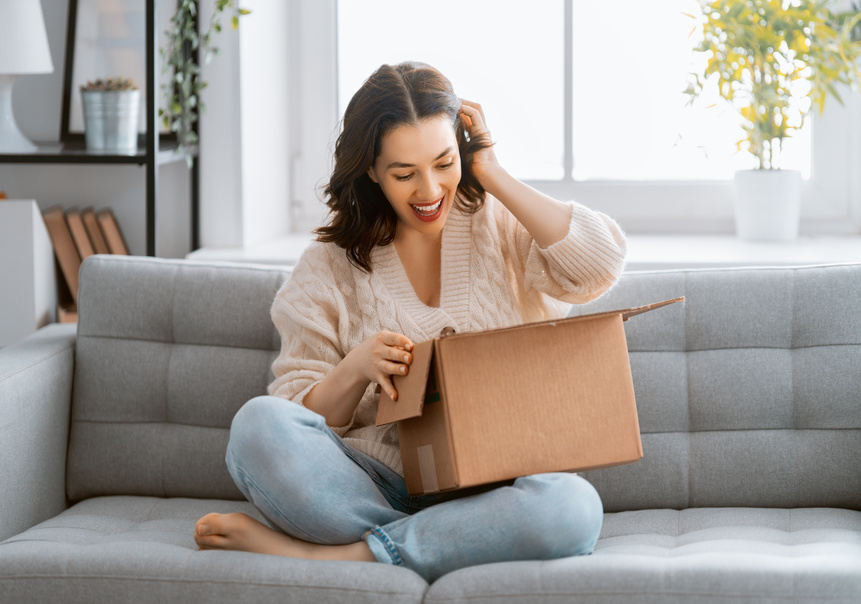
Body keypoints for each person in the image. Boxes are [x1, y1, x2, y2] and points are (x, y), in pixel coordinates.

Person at [193, 61, 627, 582]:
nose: (430, 190)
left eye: (445, 163)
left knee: (572, 507)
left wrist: (492, 173)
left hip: (498, 488)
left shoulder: (499, 221)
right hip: (371, 485)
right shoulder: (327, 267)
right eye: (404, 174)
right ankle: (442, 542)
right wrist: (356, 369)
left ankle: (343, 557)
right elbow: (295, 414)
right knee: (257, 426)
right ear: (372, 171)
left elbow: (600, 265)